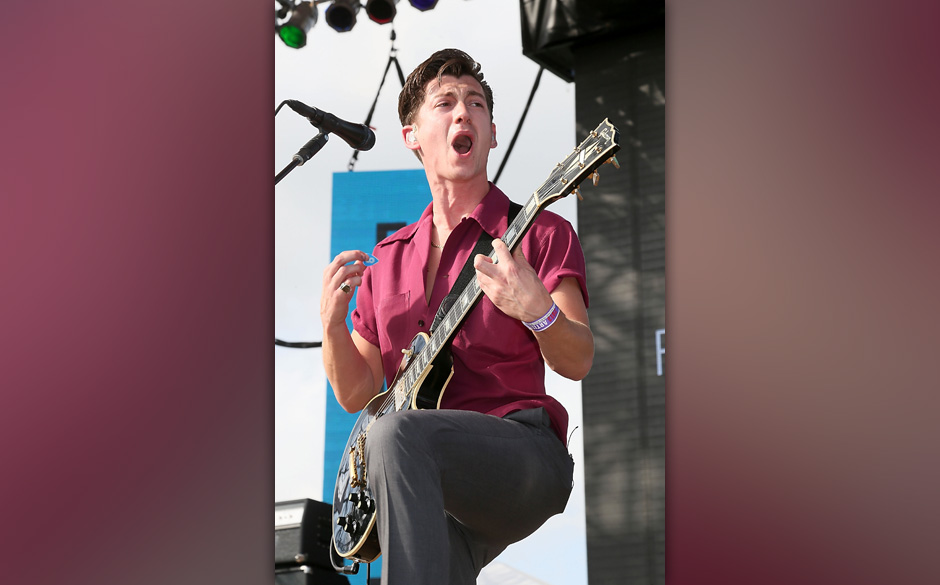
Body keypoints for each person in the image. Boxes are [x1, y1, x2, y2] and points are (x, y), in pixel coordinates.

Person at [320, 48, 594, 585]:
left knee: (396, 436)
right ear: (412, 136)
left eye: (476, 104)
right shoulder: (389, 258)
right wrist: (332, 325)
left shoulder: (539, 233)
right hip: (430, 485)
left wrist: (537, 312)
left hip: (523, 456)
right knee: (397, 455)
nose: (463, 113)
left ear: (492, 134)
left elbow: (579, 359)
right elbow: (357, 394)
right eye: (444, 103)